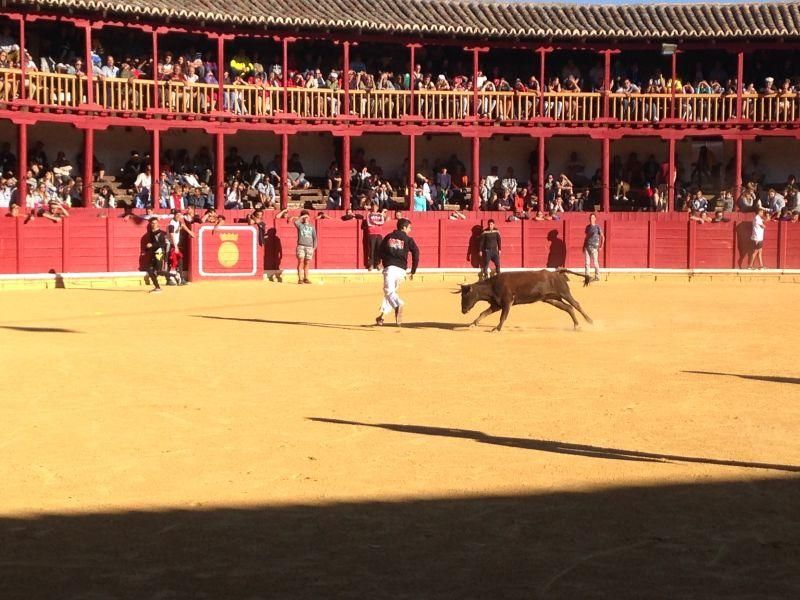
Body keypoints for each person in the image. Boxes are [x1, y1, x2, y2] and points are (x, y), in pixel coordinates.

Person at [375, 218, 419, 327]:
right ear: (404, 227)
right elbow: (416, 253)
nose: (410, 230)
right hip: (401, 271)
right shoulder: (408, 239)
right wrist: (413, 270)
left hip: (390, 268)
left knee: (389, 291)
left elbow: (380, 250)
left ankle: (398, 304)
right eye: (409, 228)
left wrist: (378, 261)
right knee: (390, 293)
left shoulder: (389, 236)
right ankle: (382, 317)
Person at [293, 209, 317, 284]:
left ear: (309, 217)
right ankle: (300, 278)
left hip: (309, 247)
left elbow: (315, 237)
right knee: (300, 261)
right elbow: (295, 222)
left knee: (307, 262)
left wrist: (314, 247)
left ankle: (306, 278)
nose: (306, 218)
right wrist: (302, 216)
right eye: (304, 217)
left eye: (307, 217)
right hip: (301, 246)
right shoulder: (300, 225)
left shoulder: (312, 227)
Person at [144, 217, 168, 293]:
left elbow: (163, 244)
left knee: (158, 271)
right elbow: (152, 243)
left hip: (159, 253)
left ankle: (173, 275)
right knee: (150, 270)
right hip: (154, 253)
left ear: (158, 224)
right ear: (151, 224)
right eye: (152, 223)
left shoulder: (160, 233)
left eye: (155, 223)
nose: (154, 225)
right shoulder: (151, 233)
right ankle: (157, 287)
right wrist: (147, 249)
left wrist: (152, 245)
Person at [583, 212, 604, 282]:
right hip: (587, 246)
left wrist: (601, 246)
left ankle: (597, 276)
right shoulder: (587, 227)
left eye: (593, 218)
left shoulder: (598, 227)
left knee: (595, 262)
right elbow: (586, 237)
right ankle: (587, 277)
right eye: (590, 218)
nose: (591, 219)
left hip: (594, 247)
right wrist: (583, 246)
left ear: (595, 219)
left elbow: (603, 236)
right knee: (587, 263)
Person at [365, 202, 385, 271]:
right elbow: (369, 224)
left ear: (378, 208)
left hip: (379, 233)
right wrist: (377, 223)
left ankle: (378, 264)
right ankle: (371, 264)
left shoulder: (380, 215)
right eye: (373, 207)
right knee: (371, 250)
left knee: (379, 249)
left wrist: (375, 223)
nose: (374, 208)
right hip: (372, 233)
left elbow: (382, 222)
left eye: (376, 207)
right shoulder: (369, 214)